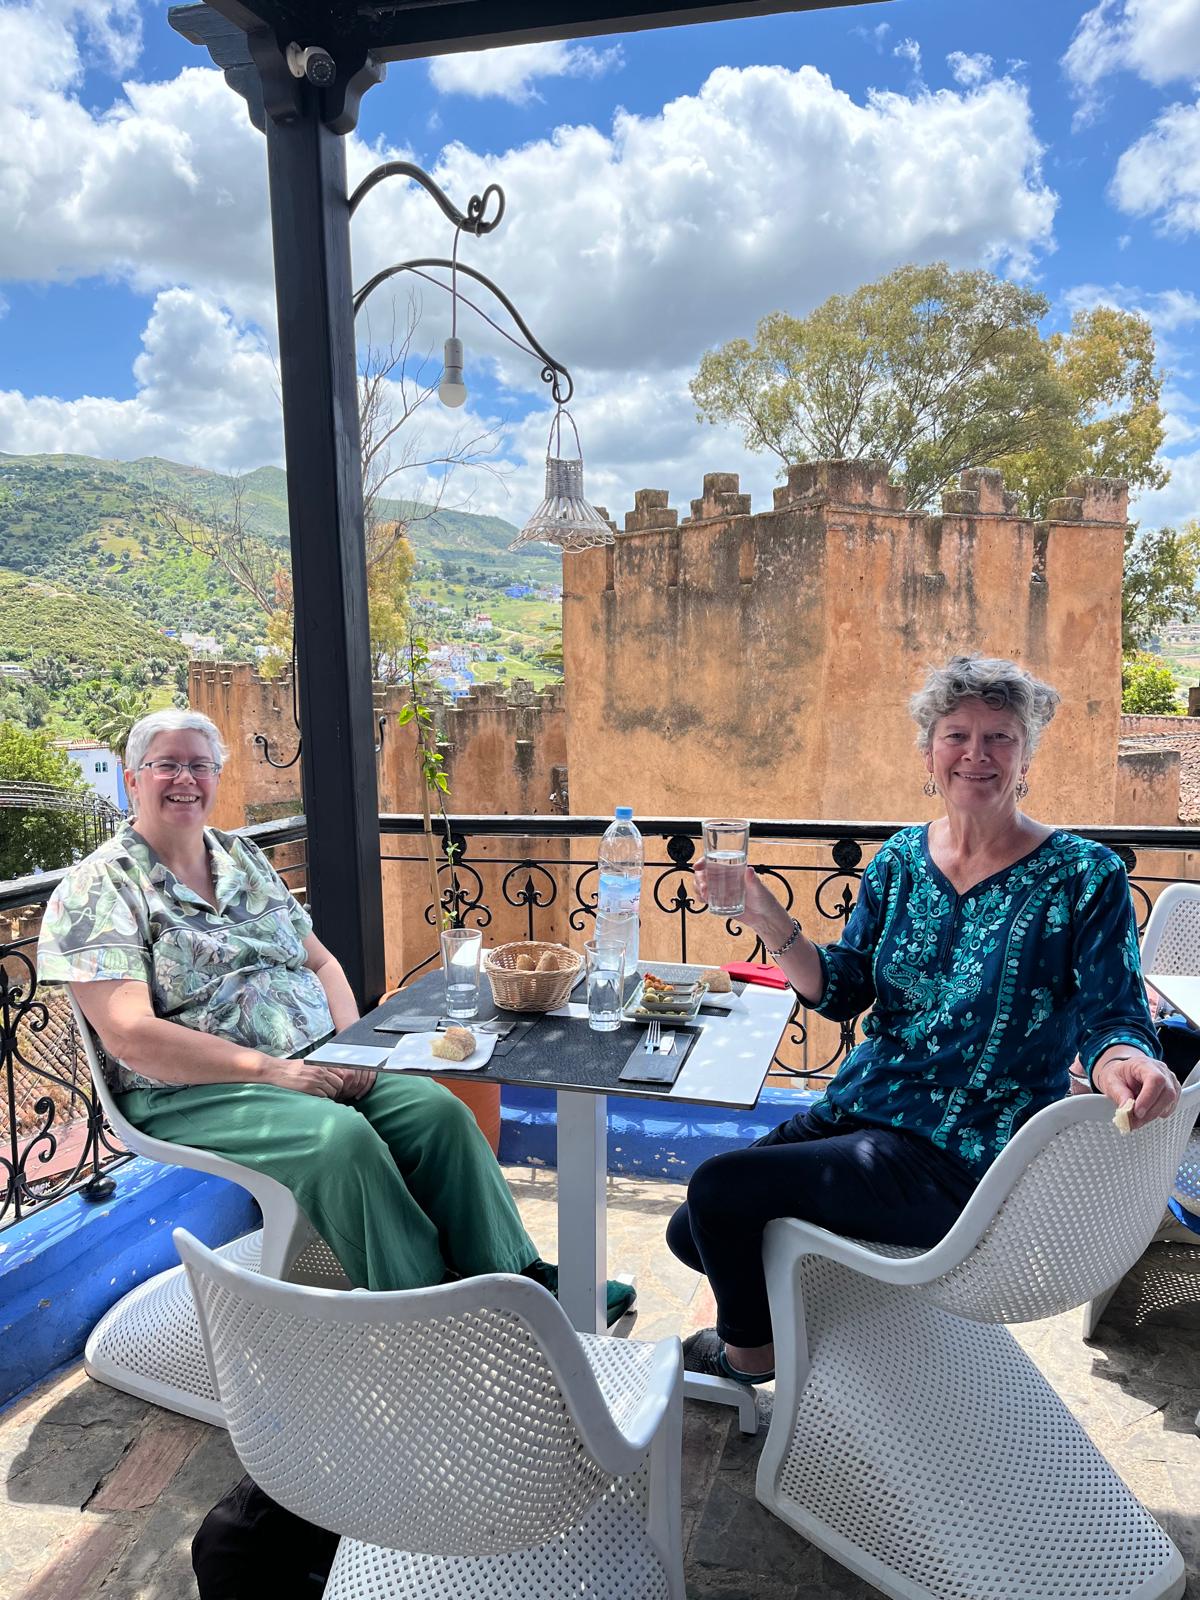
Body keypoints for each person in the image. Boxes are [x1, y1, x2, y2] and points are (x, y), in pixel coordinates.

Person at [670, 655, 1181, 1385]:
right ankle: (835, 1313)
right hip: (862, 1111)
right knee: (694, 1232)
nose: (977, 754)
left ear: (1026, 755)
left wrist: (1128, 1062)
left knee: (722, 1194)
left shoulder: (1084, 874)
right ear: (929, 753)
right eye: (957, 735)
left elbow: (1112, 1016)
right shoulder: (900, 860)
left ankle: (753, 1358)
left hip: (964, 1150)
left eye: (1000, 737)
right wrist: (764, 913)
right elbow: (843, 989)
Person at [38, 709, 634, 1322]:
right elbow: (129, 1034)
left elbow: (322, 963)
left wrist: (351, 1048)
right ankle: (423, 1308)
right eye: (167, 764)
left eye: (200, 765)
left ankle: (517, 1277)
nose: (185, 778)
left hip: (315, 1061)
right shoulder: (100, 887)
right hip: (193, 1088)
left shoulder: (239, 857)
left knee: (440, 1115)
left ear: (217, 775)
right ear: (133, 779)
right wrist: (273, 1072)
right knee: (341, 1140)